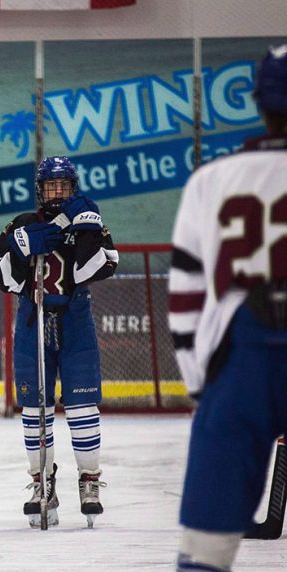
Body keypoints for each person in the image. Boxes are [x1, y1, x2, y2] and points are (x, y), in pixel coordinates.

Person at [172, 44, 287, 572]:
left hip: (239, 366)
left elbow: (186, 294)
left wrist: (203, 385)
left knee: (205, 549)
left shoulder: (211, 180)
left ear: (259, 101)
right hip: (243, 358)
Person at [0, 155, 118, 528]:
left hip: (76, 320)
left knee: (83, 406)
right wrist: (20, 248)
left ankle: (89, 481)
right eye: (50, 186)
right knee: (34, 408)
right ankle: (42, 483)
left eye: (63, 186)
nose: (57, 192)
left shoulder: (86, 217)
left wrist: (87, 230)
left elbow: (108, 264)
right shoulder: (23, 223)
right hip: (33, 320)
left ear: (73, 188)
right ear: (40, 189)